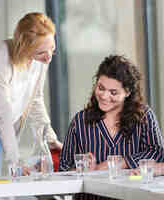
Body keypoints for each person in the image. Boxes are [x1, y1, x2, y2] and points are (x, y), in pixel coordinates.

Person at [0, 12, 62, 178]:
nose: (48, 58)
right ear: (24, 47)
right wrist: (15, 161)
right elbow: (1, 112)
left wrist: (50, 139)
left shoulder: (41, 60)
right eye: (41, 52)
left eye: (52, 49)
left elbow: (35, 100)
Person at [59, 55, 164, 200]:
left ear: (127, 92)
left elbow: (157, 152)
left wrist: (121, 163)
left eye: (113, 92)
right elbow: (63, 168)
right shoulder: (80, 121)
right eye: (101, 88)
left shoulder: (144, 116)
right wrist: (81, 169)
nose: (104, 96)